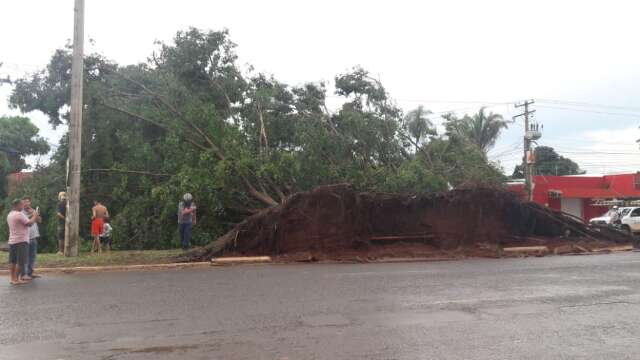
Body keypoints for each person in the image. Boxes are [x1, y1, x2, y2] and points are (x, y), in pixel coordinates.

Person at [6, 199, 38, 285]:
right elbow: (30, 223)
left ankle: (13, 278)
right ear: (17, 205)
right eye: (21, 205)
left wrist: (31, 215)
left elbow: (22, 221)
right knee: (21, 261)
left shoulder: (10, 214)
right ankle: (16, 279)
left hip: (12, 240)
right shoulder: (19, 214)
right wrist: (35, 215)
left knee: (13, 261)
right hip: (21, 241)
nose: (23, 206)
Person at [21, 196, 42, 280]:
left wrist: (35, 214)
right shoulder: (20, 212)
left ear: (30, 203)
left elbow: (40, 221)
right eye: (24, 202)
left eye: (28, 202)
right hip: (24, 238)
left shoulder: (33, 210)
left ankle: (30, 273)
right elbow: (26, 222)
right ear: (22, 204)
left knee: (32, 257)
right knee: (25, 257)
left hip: (33, 237)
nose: (26, 204)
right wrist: (33, 215)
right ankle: (24, 274)